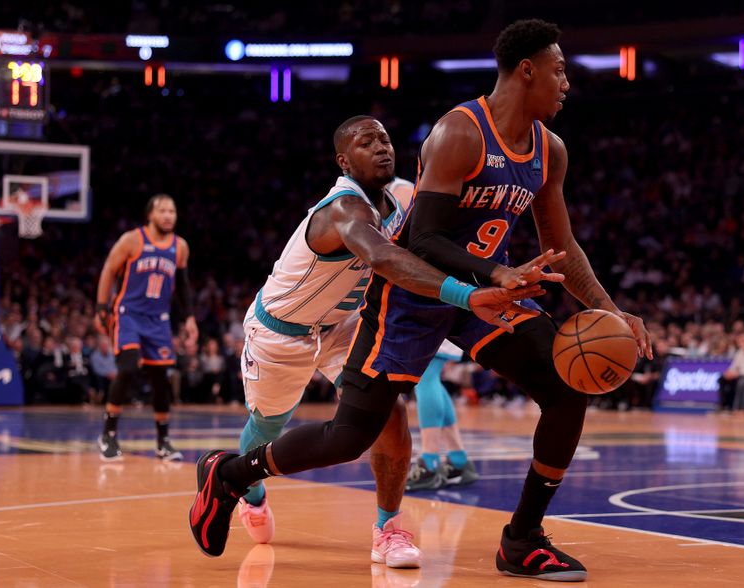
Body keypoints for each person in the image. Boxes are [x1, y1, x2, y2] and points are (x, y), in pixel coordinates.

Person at [190, 20, 652, 583]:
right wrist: (492, 274)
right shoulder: (459, 133)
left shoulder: (550, 150)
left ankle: (523, 539)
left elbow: (562, 246)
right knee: (351, 437)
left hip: (484, 294)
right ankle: (234, 473)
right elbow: (425, 241)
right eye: (559, 70)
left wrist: (607, 308)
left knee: (565, 388)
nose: (566, 83)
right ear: (526, 70)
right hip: (415, 294)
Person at [197, 115, 560, 566]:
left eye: (385, 139)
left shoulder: (401, 201)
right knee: (268, 425)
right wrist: (469, 294)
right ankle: (248, 493)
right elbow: (385, 257)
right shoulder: (342, 210)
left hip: (346, 325)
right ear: (344, 161)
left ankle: (388, 528)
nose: (381, 147)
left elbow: (440, 238)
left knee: (389, 411)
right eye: (367, 143)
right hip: (281, 331)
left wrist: (499, 265)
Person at [94, 194, 198, 461]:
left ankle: (163, 442)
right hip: (128, 314)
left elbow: (183, 286)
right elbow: (108, 270)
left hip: (158, 319)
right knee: (128, 367)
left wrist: (189, 318)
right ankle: (108, 434)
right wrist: (101, 307)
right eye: (163, 211)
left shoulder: (180, 247)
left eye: (172, 211)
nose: (168, 216)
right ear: (150, 214)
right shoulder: (132, 240)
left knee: (161, 379)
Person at [405, 340, 480, 491]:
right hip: (445, 318)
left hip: (432, 317)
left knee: (425, 375)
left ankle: (429, 463)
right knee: (430, 377)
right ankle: (458, 461)